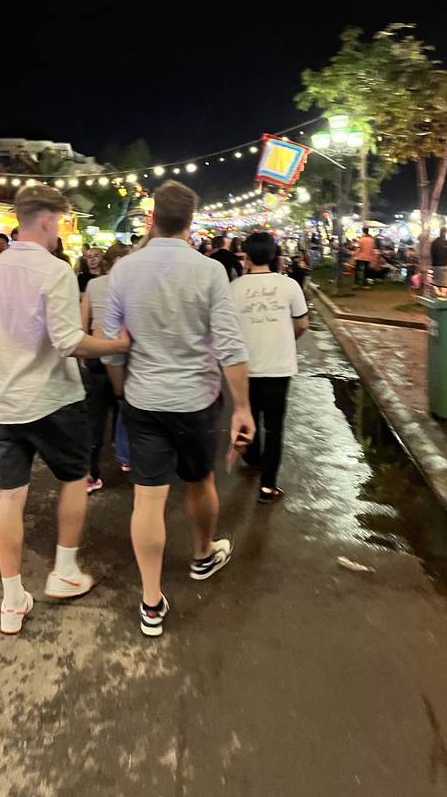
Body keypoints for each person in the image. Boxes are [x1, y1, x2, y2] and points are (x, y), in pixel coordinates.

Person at [102, 181, 255, 638]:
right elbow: (230, 345)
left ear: (152, 218)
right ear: (190, 222)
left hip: (143, 399)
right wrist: (242, 407)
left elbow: (112, 344)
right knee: (200, 480)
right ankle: (202, 554)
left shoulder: (124, 271)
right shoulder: (210, 271)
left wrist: (122, 392)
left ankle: (151, 601)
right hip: (196, 401)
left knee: (148, 498)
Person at [0, 184, 130, 636]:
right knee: (73, 479)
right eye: (60, 220)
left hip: (3, 401)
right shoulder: (55, 270)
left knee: (10, 497)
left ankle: (11, 600)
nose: (60, 229)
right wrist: (116, 345)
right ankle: (64, 570)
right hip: (52, 399)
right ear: (46, 220)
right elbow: (69, 342)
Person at [231, 233, 309, 503]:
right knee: (274, 428)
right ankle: (267, 487)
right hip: (279, 366)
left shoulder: (234, 289)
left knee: (248, 415)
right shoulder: (289, 285)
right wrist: (286, 339)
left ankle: (253, 458)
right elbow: (302, 323)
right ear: (275, 256)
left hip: (245, 366)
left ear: (247, 256)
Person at [81, 241, 131, 491]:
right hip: (124, 355)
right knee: (125, 408)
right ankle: (125, 457)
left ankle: (90, 474)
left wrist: (84, 352)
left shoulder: (93, 284)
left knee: (95, 417)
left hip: (97, 353)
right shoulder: (135, 285)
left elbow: (83, 323)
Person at [430, 227, 447, 297]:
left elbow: (432, 254)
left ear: (440, 232)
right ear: (446, 232)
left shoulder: (434, 243)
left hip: (436, 266)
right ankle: (442, 295)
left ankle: (438, 293)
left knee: (435, 283)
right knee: (444, 285)